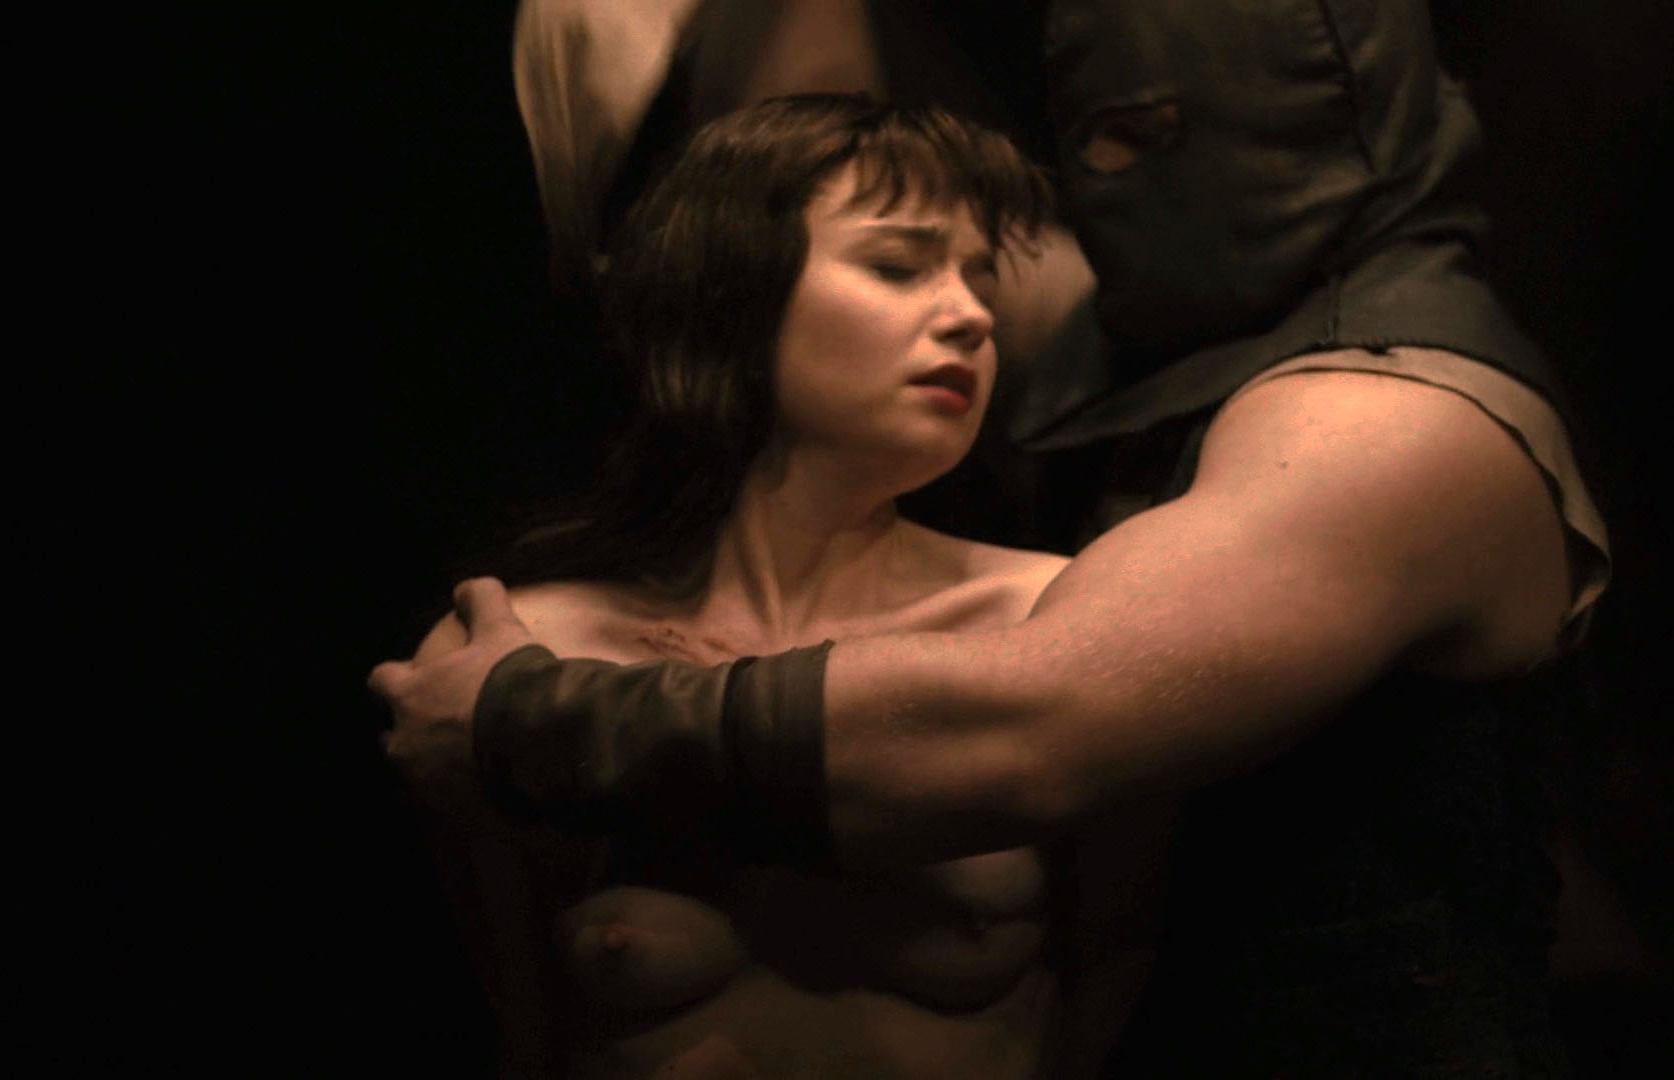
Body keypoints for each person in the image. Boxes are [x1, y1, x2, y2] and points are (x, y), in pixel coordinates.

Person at [378, 1, 1612, 1073]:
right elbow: (809, 220)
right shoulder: (1171, 322)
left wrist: (524, 719)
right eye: (1093, 143)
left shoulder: (1395, 415)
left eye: (1147, 135)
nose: (969, 314)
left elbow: (1027, 732)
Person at [393, 95, 1101, 1077]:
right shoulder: (524, 647)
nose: (973, 315)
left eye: (982, 281)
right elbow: (510, 1011)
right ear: (733, 291)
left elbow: (1119, 982)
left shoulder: (1055, 618)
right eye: (899, 267)